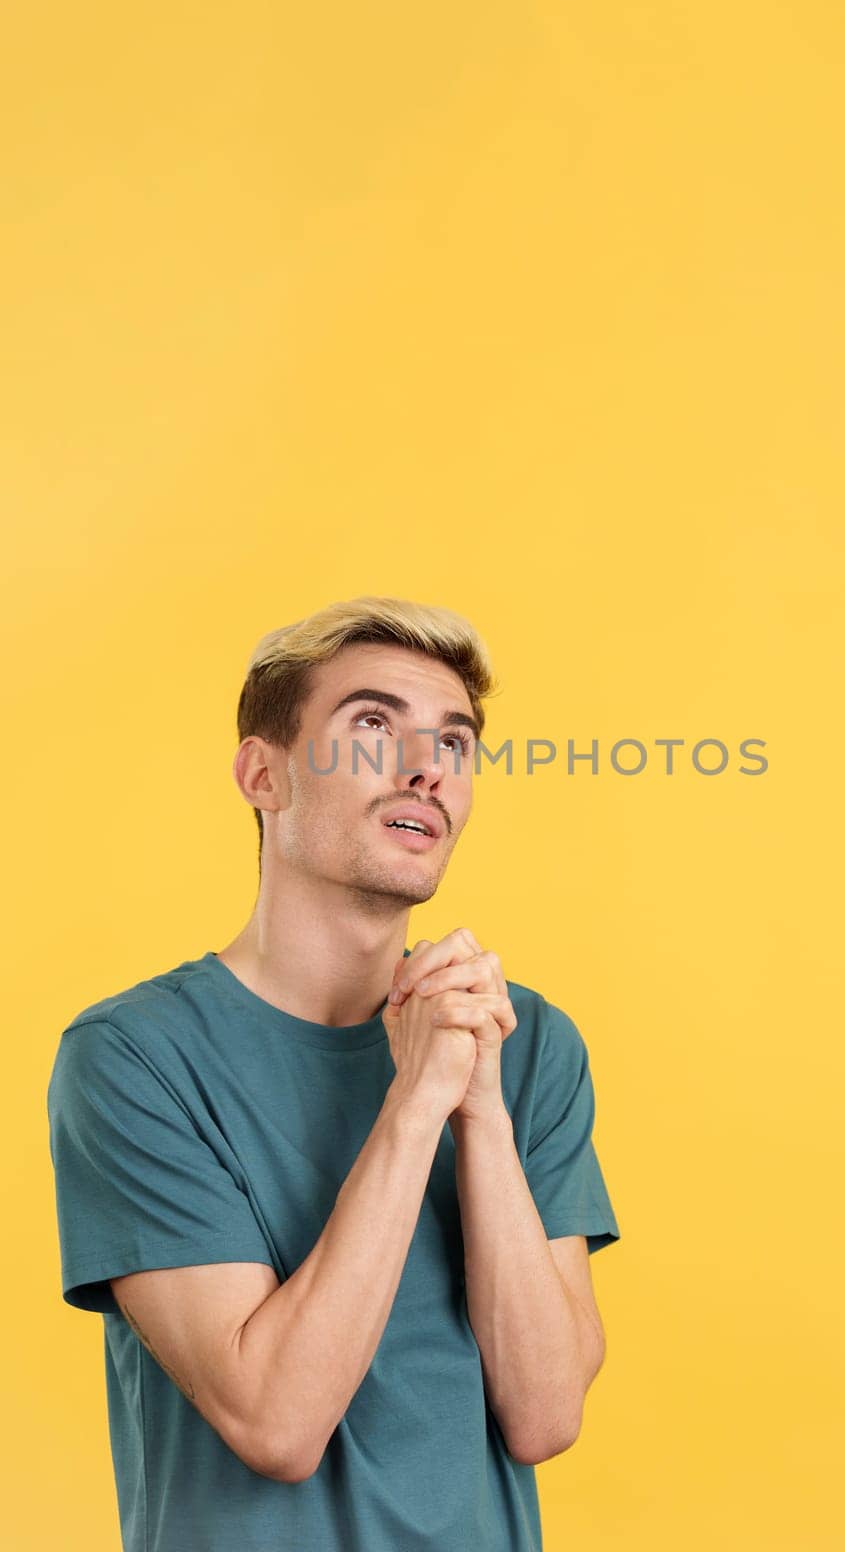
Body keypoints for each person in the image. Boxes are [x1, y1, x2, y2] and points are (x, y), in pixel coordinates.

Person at [46, 594, 621, 1552]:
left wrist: (479, 1106)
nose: (426, 768)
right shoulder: (135, 1055)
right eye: (371, 726)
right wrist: (415, 1103)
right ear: (261, 774)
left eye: (455, 742)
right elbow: (275, 1422)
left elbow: (545, 1413)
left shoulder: (522, 1044)